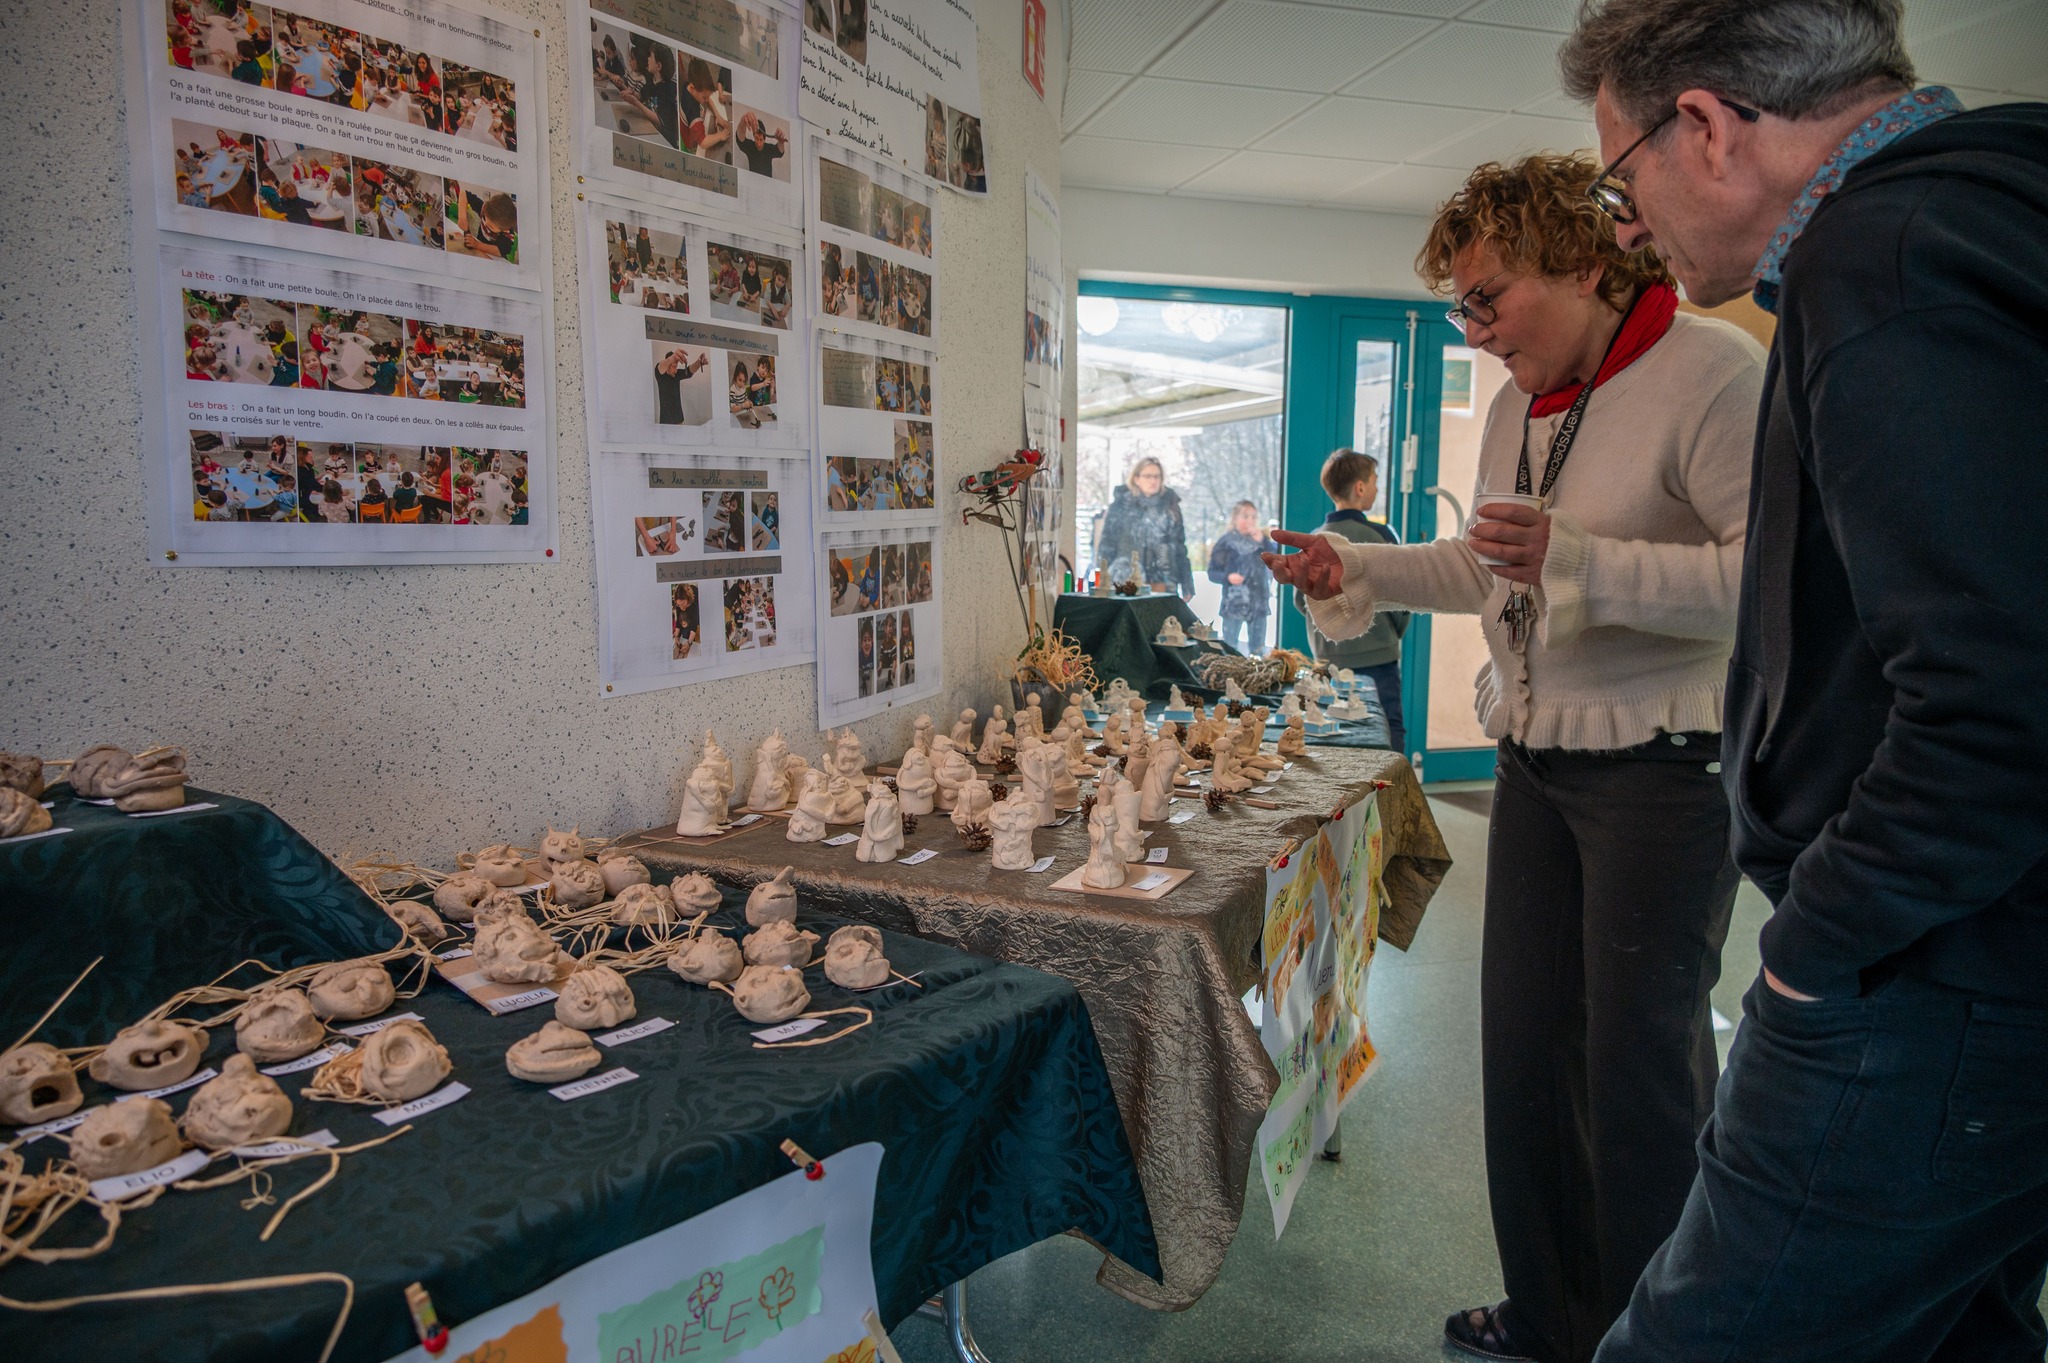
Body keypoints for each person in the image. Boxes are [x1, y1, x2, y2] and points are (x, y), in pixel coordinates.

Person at [1545, 4, 2048, 1360]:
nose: (1629, 223)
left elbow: (2000, 697)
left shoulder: (1879, 257)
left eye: (1622, 177)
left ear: (1704, 126)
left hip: (1932, 973)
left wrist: (1817, 948)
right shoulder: (2001, 203)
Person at [1265, 151, 1764, 1363]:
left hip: (1664, 771)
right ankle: (1552, 1313)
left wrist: (1582, 559)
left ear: (1587, 265)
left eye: (1488, 299)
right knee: (1528, 1056)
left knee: (1632, 1077)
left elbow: (1770, 586)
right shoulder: (1519, 403)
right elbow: (1497, 567)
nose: (1475, 331)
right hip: (1534, 760)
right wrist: (1362, 570)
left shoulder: (1713, 374)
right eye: (1462, 308)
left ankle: (1651, 1333)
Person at [1294, 452, 1408, 753]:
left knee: (1332, 729)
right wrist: (1390, 634)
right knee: (1387, 726)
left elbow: (1302, 600)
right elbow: (1402, 595)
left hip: (1329, 656)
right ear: (1360, 488)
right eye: (1374, 482)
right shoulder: (1381, 535)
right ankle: (1392, 793)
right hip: (1379, 658)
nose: (1376, 489)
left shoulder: (1315, 540)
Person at [1095, 456, 1194, 597]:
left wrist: (1187, 585)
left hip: (1163, 580)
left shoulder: (1170, 508)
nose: (1153, 481)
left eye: (1157, 476)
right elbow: (1107, 544)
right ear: (1136, 478)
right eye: (1148, 476)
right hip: (1124, 579)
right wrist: (1103, 578)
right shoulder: (1120, 506)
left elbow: (1179, 548)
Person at [1207, 500, 1279, 655]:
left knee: (1258, 650)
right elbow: (1212, 573)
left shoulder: (1262, 541)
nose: (1250, 521)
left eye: (1253, 517)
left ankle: (1256, 676)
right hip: (1234, 602)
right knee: (1230, 648)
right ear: (1235, 519)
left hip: (1259, 602)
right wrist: (1228, 577)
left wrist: (1263, 541)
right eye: (1245, 516)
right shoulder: (1226, 542)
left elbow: (1275, 561)